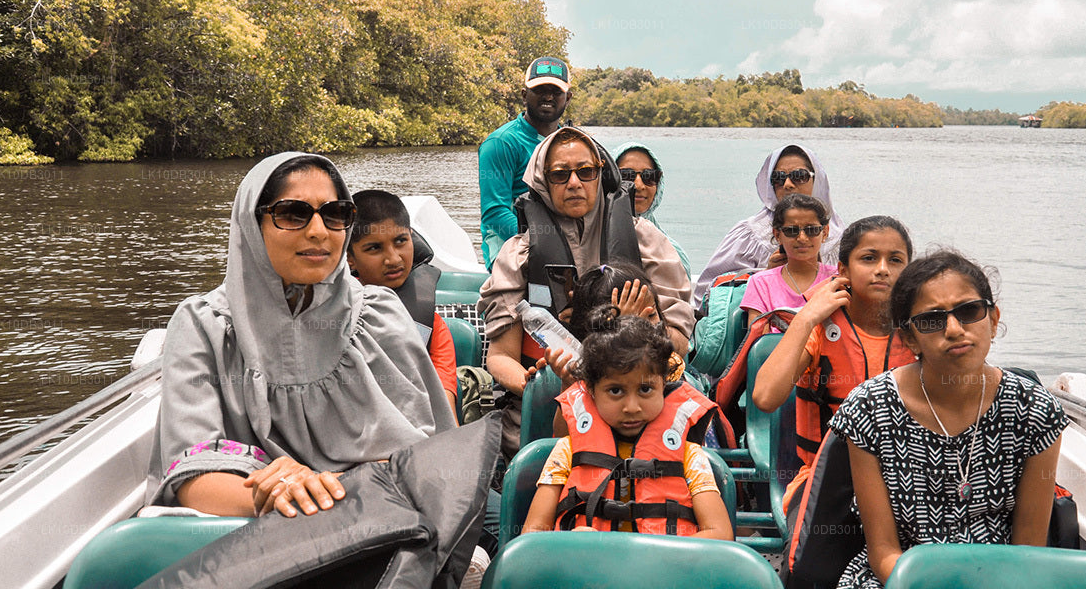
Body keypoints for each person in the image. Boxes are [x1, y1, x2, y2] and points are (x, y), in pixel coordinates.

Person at [148, 152, 456, 519]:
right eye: (293, 214)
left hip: (381, 521)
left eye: (335, 214)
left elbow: (425, 458)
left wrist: (322, 485)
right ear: (252, 223)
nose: (318, 231)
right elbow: (194, 476)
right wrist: (281, 491)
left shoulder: (380, 314)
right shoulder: (203, 326)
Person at [831, 250, 1068, 588]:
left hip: (1000, 579)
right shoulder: (870, 408)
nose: (955, 330)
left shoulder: (1034, 411)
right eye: (932, 319)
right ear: (910, 337)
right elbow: (883, 550)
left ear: (993, 318)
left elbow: (1027, 550)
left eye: (969, 311)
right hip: (901, 579)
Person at [479, 126, 694, 457]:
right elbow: (499, 356)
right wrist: (538, 384)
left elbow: (678, 342)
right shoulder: (517, 253)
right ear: (542, 182)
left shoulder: (647, 241)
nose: (575, 183)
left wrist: (639, 327)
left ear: (601, 174)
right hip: (545, 396)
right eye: (560, 175)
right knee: (529, 459)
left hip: (638, 394)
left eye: (586, 171)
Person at [753, 216, 918, 512]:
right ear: (843, 270)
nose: (882, 269)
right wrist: (805, 318)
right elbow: (765, 397)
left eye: (895, 260)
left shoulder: (920, 334)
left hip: (906, 481)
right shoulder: (819, 329)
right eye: (869, 258)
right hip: (824, 480)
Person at [522, 307, 733, 539]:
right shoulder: (567, 451)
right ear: (591, 390)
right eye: (615, 390)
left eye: (645, 389)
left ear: (664, 384)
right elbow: (532, 534)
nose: (632, 407)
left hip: (665, 572)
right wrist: (571, 543)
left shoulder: (689, 456)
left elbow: (720, 534)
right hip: (585, 570)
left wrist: (661, 553)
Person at [346, 189, 459, 419]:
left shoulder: (432, 327)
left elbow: (445, 412)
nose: (394, 259)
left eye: (400, 241)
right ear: (349, 258)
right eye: (374, 248)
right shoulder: (335, 313)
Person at [693, 144, 845, 307]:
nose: (787, 184)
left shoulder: (842, 238)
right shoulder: (749, 234)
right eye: (778, 178)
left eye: (799, 176)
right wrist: (766, 275)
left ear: (817, 180)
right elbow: (706, 294)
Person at [478, 56, 572, 269]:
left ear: (568, 98)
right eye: (539, 89)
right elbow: (495, 213)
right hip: (511, 249)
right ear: (524, 95)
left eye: (556, 91)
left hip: (560, 243)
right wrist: (546, 244)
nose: (547, 96)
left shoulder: (570, 143)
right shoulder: (501, 143)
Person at [739, 193, 839, 328]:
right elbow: (758, 338)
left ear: (825, 232)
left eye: (812, 230)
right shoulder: (761, 283)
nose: (802, 238)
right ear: (777, 234)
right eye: (792, 231)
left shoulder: (838, 279)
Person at [613, 142, 692, 278]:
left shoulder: (672, 252)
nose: (638, 185)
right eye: (626, 175)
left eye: (649, 176)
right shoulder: (594, 241)